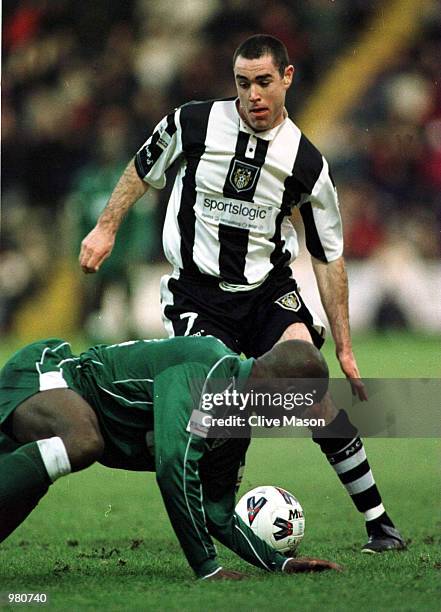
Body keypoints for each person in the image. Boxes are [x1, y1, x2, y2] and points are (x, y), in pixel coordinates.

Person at [78, 35, 405, 553]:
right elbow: (142, 169)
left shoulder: (306, 164)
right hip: (197, 295)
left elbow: (326, 253)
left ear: (288, 78)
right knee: (217, 404)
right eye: (243, 83)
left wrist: (343, 346)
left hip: (266, 291)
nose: (253, 94)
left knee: (305, 383)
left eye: (264, 82)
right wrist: (106, 228)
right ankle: (216, 500)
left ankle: (380, 524)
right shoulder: (193, 124)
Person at [0, 335, 341, 579]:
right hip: (52, 373)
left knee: (28, 486)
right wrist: (208, 567)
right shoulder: (208, 366)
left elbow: (217, 513)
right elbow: (173, 467)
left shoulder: (236, 428)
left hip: (65, 406)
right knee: (83, 442)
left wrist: (277, 563)